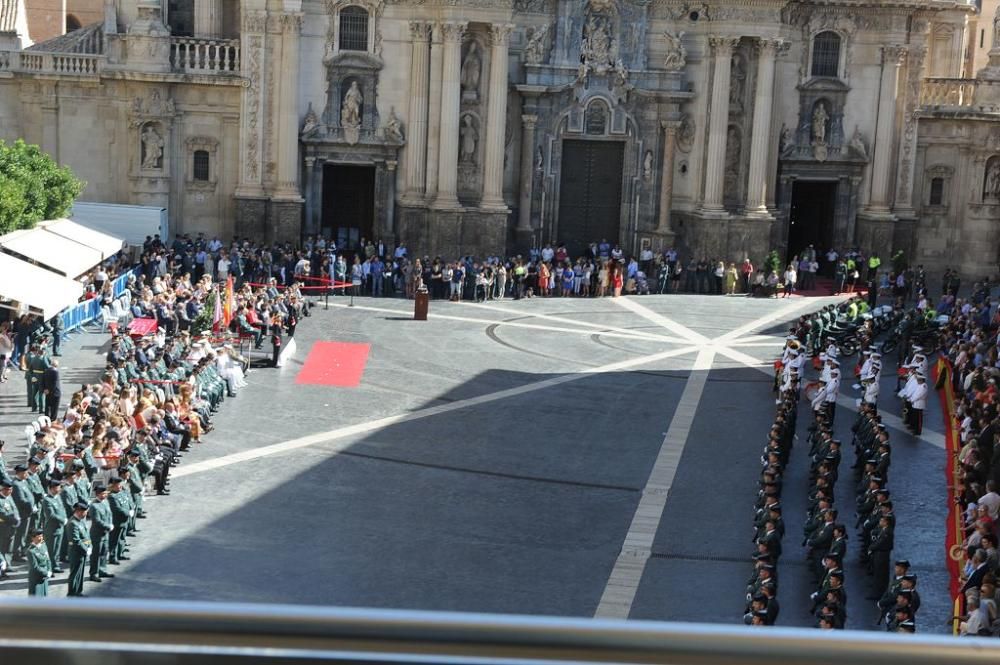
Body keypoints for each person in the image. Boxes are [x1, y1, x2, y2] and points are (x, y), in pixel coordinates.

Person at [66, 501, 91, 597]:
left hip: (82, 551)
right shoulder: (73, 523)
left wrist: (89, 546)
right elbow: (76, 540)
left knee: (80, 573)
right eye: (85, 511)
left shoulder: (80, 521)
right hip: (76, 552)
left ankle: (78, 591)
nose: (86, 513)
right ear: (79, 511)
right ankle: (72, 593)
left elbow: (86, 536)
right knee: (75, 573)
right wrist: (86, 549)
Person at [26, 529, 52, 596]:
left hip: (44, 577)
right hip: (36, 578)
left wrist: (50, 570)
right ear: (33, 538)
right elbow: (35, 567)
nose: (41, 538)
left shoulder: (43, 545)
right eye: (39, 537)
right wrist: (46, 573)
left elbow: (48, 559)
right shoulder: (31, 551)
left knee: (44, 595)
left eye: (42, 536)